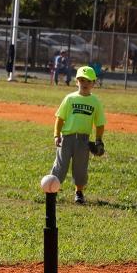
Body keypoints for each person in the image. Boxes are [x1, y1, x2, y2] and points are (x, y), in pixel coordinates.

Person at [50, 65, 106, 205]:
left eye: (88, 81)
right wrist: (57, 135)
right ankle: (51, 190)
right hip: (66, 138)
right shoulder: (70, 99)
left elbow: (100, 123)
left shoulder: (95, 102)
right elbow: (60, 118)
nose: (85, 84)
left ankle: (79, 192)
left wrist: (98, 140)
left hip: (83, 140)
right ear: (76, 82)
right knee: (60, 166)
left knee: (80, 168)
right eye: (81, 80)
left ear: (94, 83)